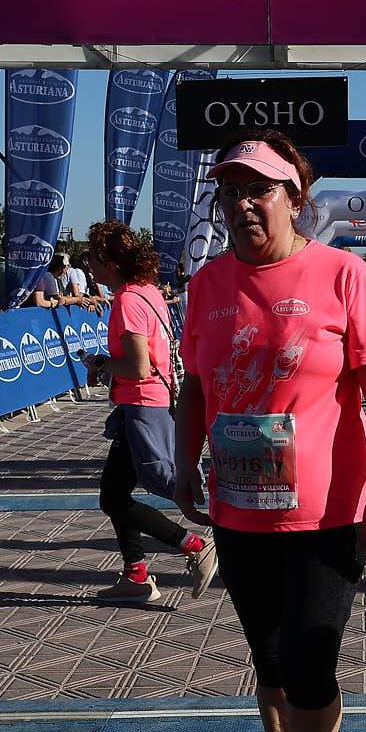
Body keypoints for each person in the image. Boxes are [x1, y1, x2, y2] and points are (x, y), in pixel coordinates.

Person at [173, 131, 366, 732]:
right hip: (241, 513)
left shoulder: (341, 274)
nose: (244, 204)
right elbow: (196, 386)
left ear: (293, 198)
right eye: (232, 192)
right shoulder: (207, 285)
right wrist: (183, 466)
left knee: (313, 662)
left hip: (327, 514)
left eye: (260, 190)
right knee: (269, 662)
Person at [83, 219, 217, 607]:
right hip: (151, 401)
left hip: (141, 404)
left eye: (93, 257)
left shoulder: (126, 300)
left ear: (110, 261)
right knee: (115, 492)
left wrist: (101, 364)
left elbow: (138, 366)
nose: (88, 264)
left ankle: (194, 545)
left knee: (117, 495)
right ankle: (136, 575)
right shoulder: (148, 292)